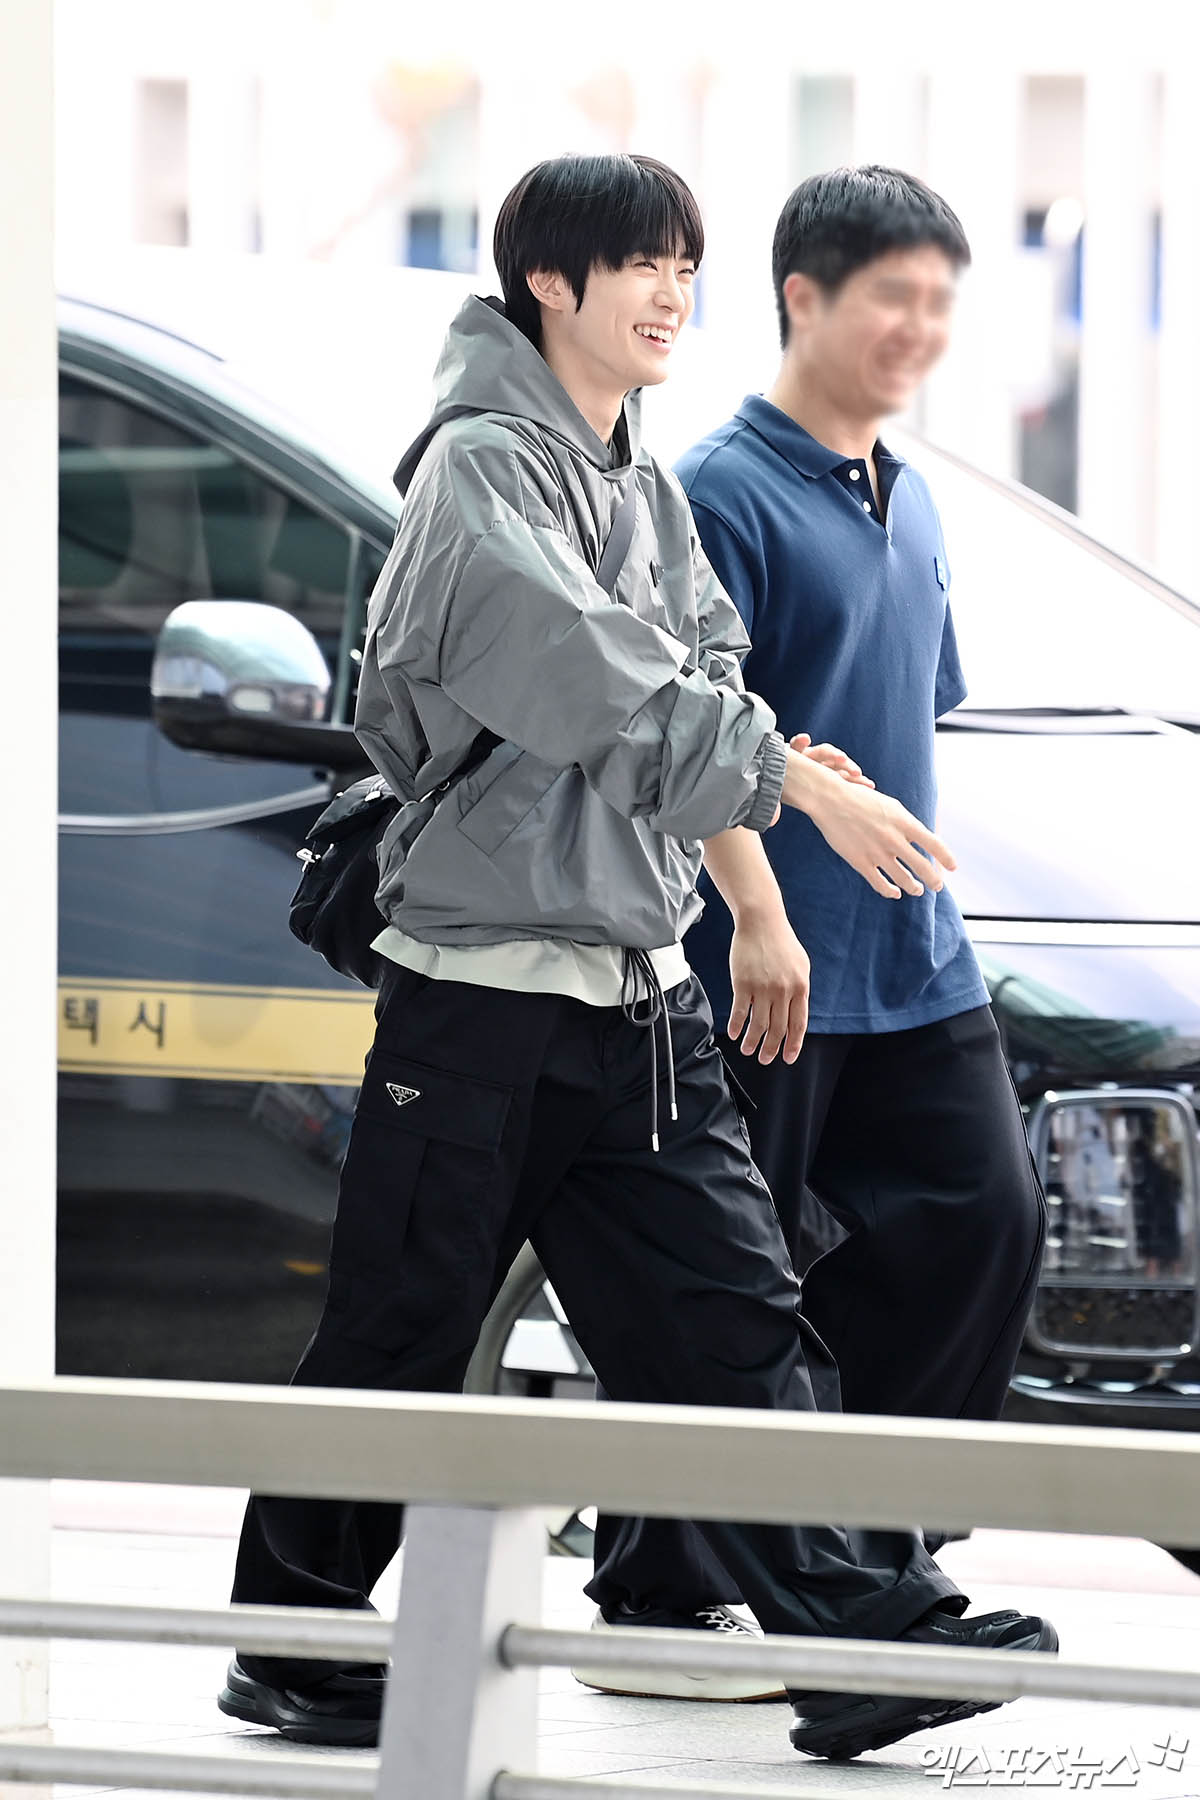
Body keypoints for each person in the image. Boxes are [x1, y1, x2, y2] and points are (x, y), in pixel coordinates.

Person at [217, 153, 1054, 1764]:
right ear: (551, 282)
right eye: (641, 265)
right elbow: (599, 679)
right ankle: (294, 1640)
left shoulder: (640, 481)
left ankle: (854, 1635)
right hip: (479, 1004)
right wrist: (791, 779)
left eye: (685, 264)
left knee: (736, 1323)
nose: (674, 294)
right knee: (401, 1329)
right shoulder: (480, 475)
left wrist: (766, 792)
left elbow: (708, 676)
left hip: (633, 994)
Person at [585, 166, 1049, 1700]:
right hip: (764, 971)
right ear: (804, 297)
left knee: (981, 1224)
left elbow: (902, 717)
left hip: (916, 964)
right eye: (892, 296)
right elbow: (683, 730)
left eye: (940, 301)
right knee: (733, 1287)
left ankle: (866, 1559)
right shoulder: (721, 491)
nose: (921, 327)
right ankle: (668, 1590)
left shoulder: (905, 493)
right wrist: (757, 914)